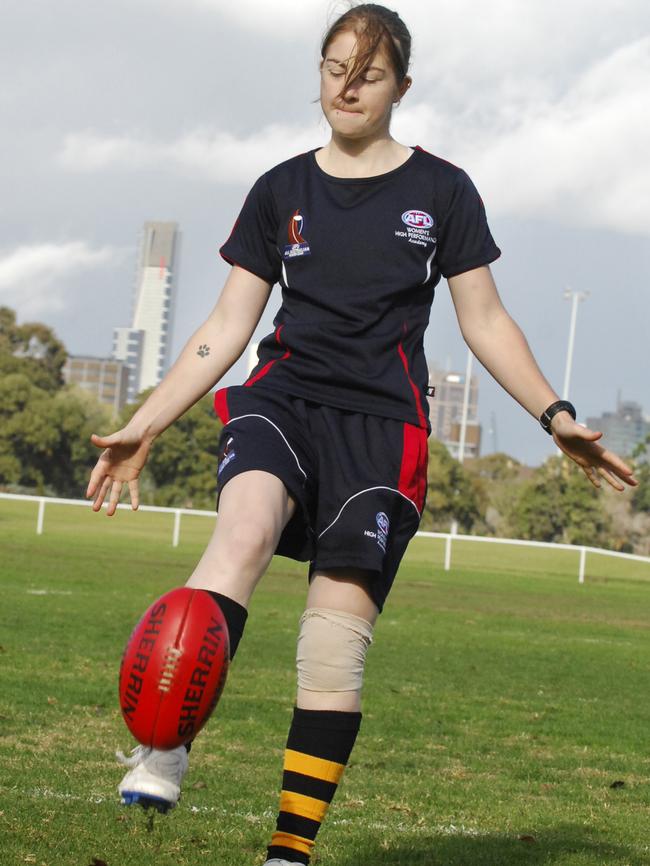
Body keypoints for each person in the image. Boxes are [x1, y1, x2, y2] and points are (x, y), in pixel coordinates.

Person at [86, 5, 637, 864]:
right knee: (242, 533)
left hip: (384, 432)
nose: (346, 86)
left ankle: (287, 853)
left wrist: (554, 415)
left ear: (401, 87)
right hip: (284, 399)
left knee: (332, 638)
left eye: (368, 73)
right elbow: (227, 325)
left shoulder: (442, 191)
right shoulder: (280, 190)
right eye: (334, 66)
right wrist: (143, 424)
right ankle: (167, 736)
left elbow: (484, 320)